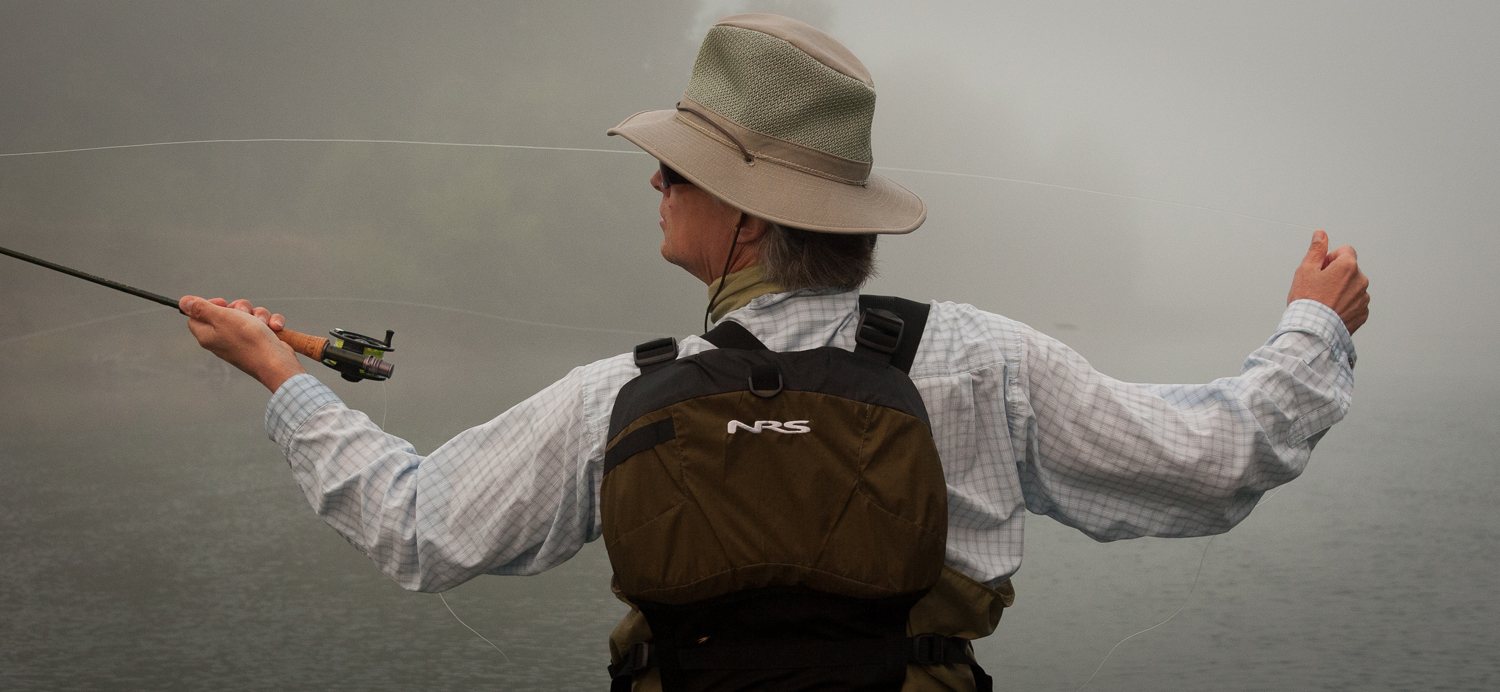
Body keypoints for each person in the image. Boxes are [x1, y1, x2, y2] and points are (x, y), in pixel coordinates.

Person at [179, 13, 1369, 692]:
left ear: (746, 215)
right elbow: (1218, 459)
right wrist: (1313, 325)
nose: (653, 180)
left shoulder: (622, 396)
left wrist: (279, 375)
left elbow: (419, 525)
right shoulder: (985, 365)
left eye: (678, 168)